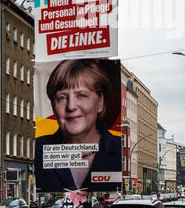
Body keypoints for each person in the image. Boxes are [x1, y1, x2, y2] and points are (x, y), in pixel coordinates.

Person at [35, 59, 121, 192]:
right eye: (62, 97)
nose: (71, 106)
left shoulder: (117, 148)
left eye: (81, 95)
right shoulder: (39, 149)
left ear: (100, 102)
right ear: (53, 105)